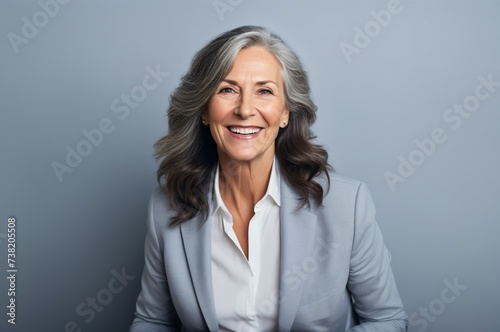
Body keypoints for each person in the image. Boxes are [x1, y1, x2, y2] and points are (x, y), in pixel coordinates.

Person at [130, 25, 408, 332]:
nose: (245, 109)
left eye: (264, 91)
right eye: (227, 90)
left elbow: (388, 321)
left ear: (285, 112)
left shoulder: (345, 204)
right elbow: (152, 321)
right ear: (204, 110)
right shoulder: (166, 206)